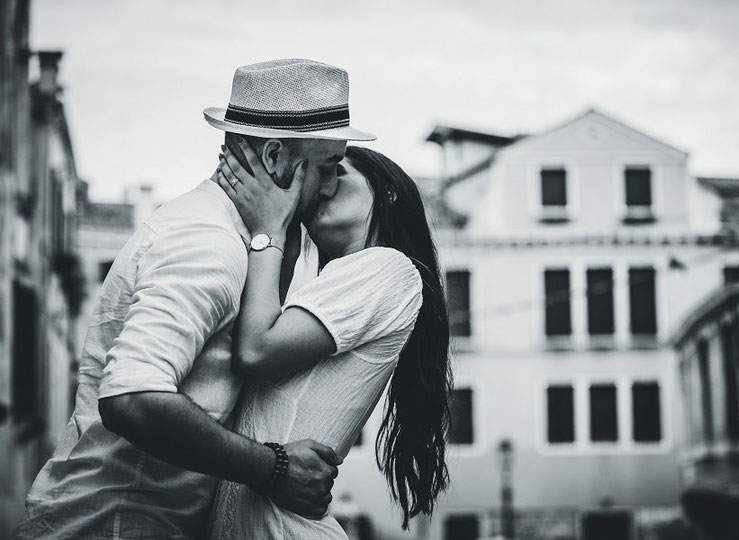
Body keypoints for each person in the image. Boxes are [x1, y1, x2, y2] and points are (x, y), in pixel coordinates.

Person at [14, 58, 376, 540]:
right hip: (110, 526)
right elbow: (132, 397)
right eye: (327, 167)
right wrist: (276, 468)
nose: (331, 187)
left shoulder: (226, 234)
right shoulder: (209, 242)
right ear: (274, 158)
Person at [205, 142, 453, 539]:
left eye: (336, 171)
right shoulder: (324, 287)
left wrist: (267, 229)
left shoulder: (390, 268)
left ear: (385, 191)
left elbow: (254, 351)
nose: (322, 186)